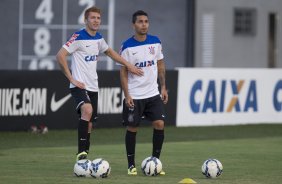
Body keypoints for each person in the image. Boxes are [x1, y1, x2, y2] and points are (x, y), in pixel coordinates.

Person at [56, 6, 143, 161]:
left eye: (98, 18)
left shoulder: (98, 38)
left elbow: (110, 52)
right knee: (87, 110)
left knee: (89, 124)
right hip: (79, 86)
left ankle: (84, 159)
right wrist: (71, 78)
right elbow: (60, 55)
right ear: (86, 20)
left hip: (93, 86)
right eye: (92, 18)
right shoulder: (78, 37)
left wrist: (128, 65)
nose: (96, 21)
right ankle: (80, 153)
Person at [119, 10, 168, 176]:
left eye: (146, 21)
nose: (144, 24)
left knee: (159, 124)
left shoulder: (156, 42)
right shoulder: (127, 46)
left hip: (153, 93)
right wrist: (127, 95)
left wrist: (163, 87)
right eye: (140, 22)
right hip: (135, 95)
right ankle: (131, 165)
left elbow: (160, 65)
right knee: (132, 128)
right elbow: (123, 72)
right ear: (134, 25)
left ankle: (155, 163)